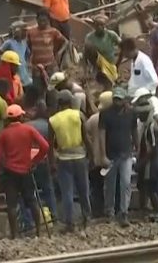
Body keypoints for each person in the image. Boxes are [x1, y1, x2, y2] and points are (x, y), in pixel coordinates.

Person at [0, 104, 50, 238]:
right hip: (26, 170)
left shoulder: (4, 134)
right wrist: (35, 160)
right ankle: (38, 232)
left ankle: (14, 234)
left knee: (11, 203)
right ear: (21, 116)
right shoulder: (28, 130)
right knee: (31, 200)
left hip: (10, 172)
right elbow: (45, 146)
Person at [48, 90, 92, 232]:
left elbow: (50, 145)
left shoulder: (53, 120)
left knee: (67, 192)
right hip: (80, 156)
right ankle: (86, 219)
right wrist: (91, 156)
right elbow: (86, 138)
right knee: (83, 190)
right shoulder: (78, 115)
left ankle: (70, 223)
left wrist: (52, 163)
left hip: (64, 158)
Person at [101, 87, 138, 227]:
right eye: (115, 99)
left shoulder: (131, 113)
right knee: (109, 184)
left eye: (119, 99)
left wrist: (137, 147)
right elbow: (102, 134)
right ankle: (109, 211)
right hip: (111, 154)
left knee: (125, 183)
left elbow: (134, 131)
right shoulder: (105, 114)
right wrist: (102, 154)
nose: (117, 102)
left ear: (124, 100)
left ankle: (123, 212)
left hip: (126, 153)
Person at [133, 89, 158, 221]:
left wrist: (141, 163)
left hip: (154, 161)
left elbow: (152, 149)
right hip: (152, 160)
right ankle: (157, 209)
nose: (139, 117)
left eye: (141, 115)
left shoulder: (151, 127)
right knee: (150, 185)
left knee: (156, 185)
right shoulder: (148, 125)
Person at [26, 102, 59, 220]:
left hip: (30, 161)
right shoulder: (48, 125)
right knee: (48, 189)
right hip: (44, 160)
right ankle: (53, 214)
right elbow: (52, 146)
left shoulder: (27, 125)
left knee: (30, 191)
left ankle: (31, 219)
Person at [85, 91, 112, 217]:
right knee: (111, 186)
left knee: (96, 187)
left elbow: (86, 137)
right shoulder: (113, 119)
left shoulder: (92, 119)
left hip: (95, 159)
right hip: (110, 158)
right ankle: (111, 210)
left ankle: (97, 212)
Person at [83, 14, 120, 88]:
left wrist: (118, 62)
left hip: (110, 64)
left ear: (105, 26)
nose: (99, 27)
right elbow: (85, 55)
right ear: (94, 26)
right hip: (97, 66)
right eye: (97, 25)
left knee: (111, 85)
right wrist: (85, 70)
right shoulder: (89, 37)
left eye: (102, 25)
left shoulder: (111, 35)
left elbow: (123, 45)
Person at [0, 21, 33, 87]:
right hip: (15, 74)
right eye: (23, 31)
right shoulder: (9, 43)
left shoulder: (24, 42)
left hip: (24, 73)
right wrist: (2, 68)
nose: (25, 33)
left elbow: (27, 55)